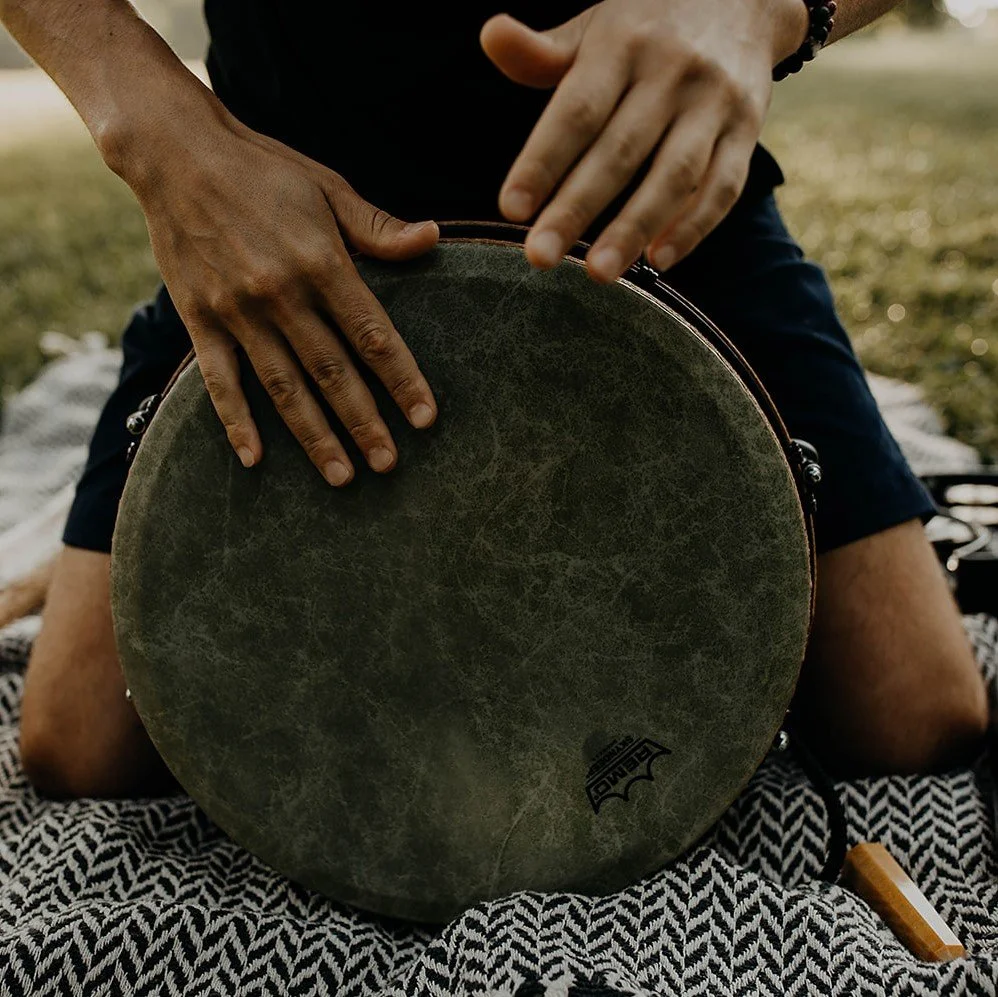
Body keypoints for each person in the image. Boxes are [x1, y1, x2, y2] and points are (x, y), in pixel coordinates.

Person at [0, 0, 987, 799]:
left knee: (915, 717)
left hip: (644, 204)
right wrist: (162, 139)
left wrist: (767, 8)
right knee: (78, 747)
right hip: (284, 217)